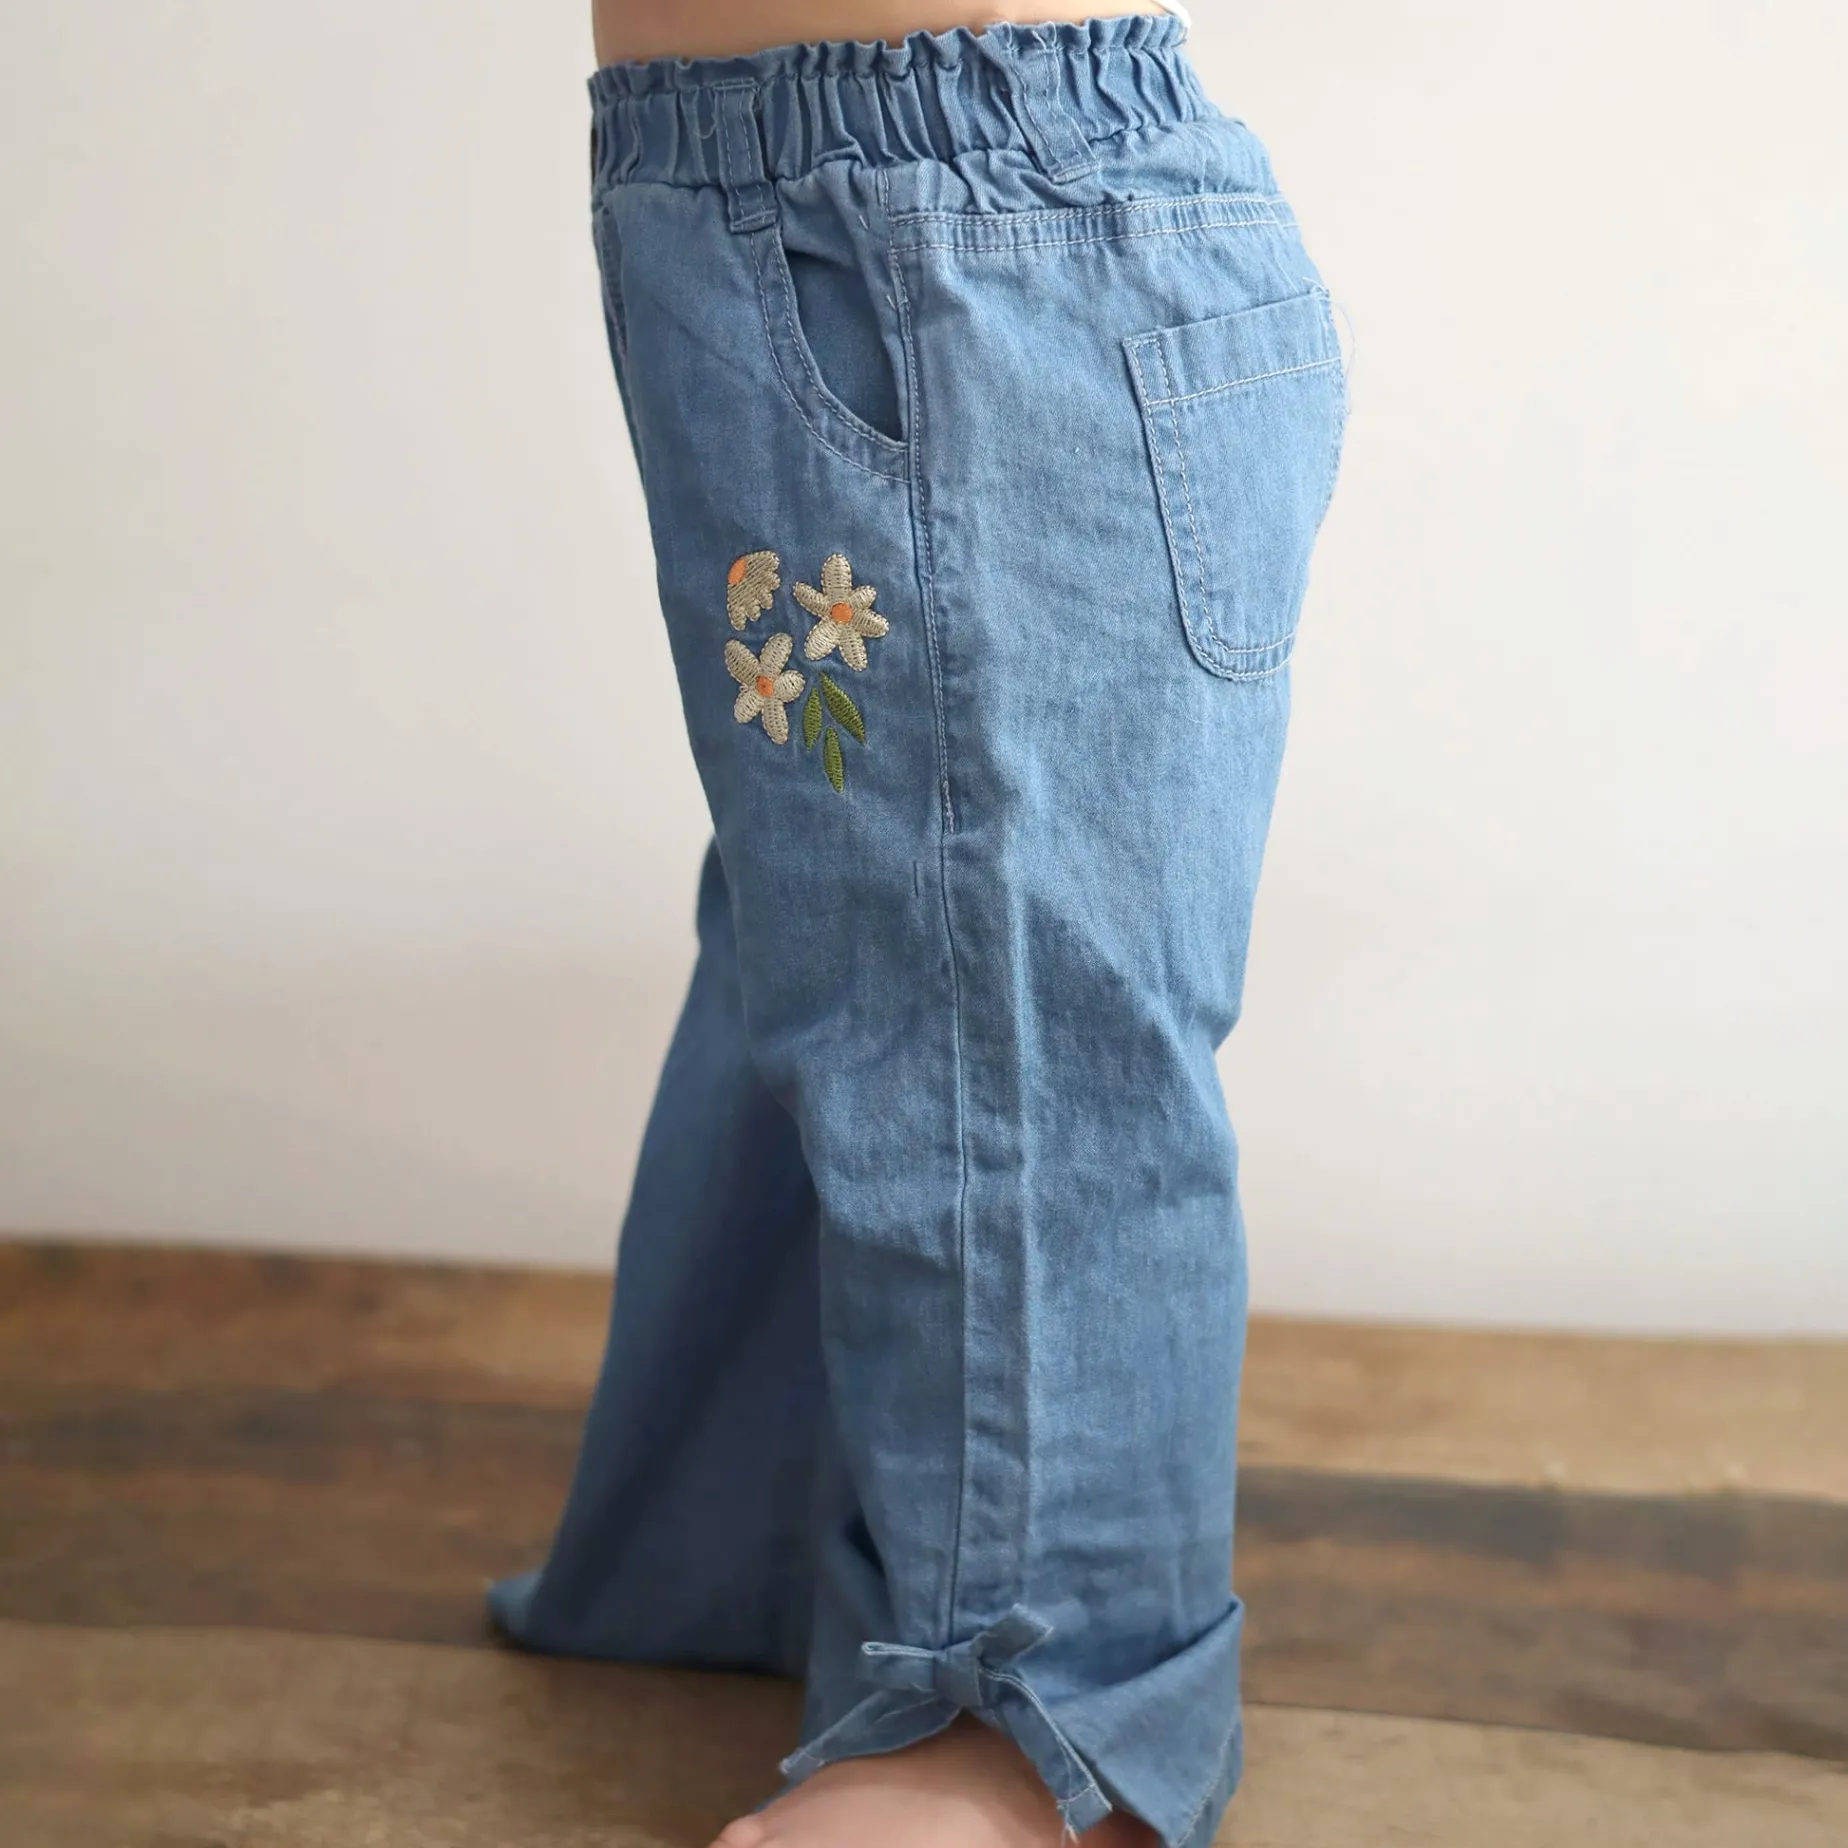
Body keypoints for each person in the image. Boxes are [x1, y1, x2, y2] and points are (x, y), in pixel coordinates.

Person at [490, 4, 1347, 1845]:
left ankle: (1042, 1713)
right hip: (876, 228)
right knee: (856, 917)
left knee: (987, 988)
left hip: (957, 249)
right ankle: (748, 1546)